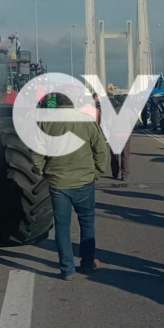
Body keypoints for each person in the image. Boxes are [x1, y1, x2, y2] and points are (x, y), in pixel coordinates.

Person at [32, 94, 110, 280]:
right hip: (84, 180)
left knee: (62, 227)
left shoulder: (45, 123)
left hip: (58, 182)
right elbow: (101, 150)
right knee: (87, 222)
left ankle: (67, 269)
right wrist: (97, 172)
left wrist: (44, 172)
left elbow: (37, 154)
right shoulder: (87, 121)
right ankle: (87, 262)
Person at [102, 101, 132, 181]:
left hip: (115, 134)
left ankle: (115, 173)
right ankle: (124, 174)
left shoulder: (112, 111)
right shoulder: (129, 111)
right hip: (126, 134)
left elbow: (108, 124)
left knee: (114, 155)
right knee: (125, 155)